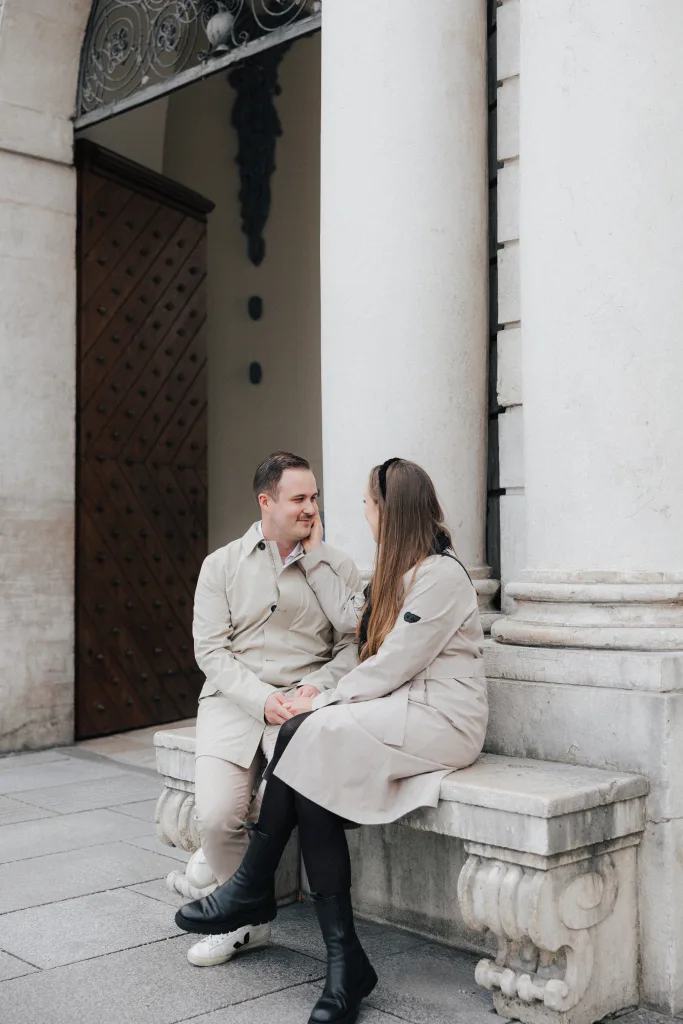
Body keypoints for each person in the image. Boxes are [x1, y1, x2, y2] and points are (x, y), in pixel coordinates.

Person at [176, 458, 488, 1024]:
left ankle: (252, 886)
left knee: (304, 737)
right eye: (301, 498)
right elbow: (363, 631)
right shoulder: (402, 570)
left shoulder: (441, 575)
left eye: (367, 503)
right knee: (311, 775)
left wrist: (320, 698)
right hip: (397, 708)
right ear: (267, 501)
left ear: (390, 510)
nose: (347, 511)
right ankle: (345, 965)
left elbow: (388, 661)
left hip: (441, 717)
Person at [186, 451, 361, 967]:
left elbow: (353, 646)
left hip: (305, 707)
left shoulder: (338, 566)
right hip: (234, 702)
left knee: (282, 807)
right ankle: (248, 921)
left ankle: (233, 896)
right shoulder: (220, 565)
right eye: (298, 498)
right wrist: (260, 699)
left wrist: (313, 688)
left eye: (314, 497)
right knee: (217, 816)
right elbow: (210, 650)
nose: (311, 508)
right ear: (266, 502)